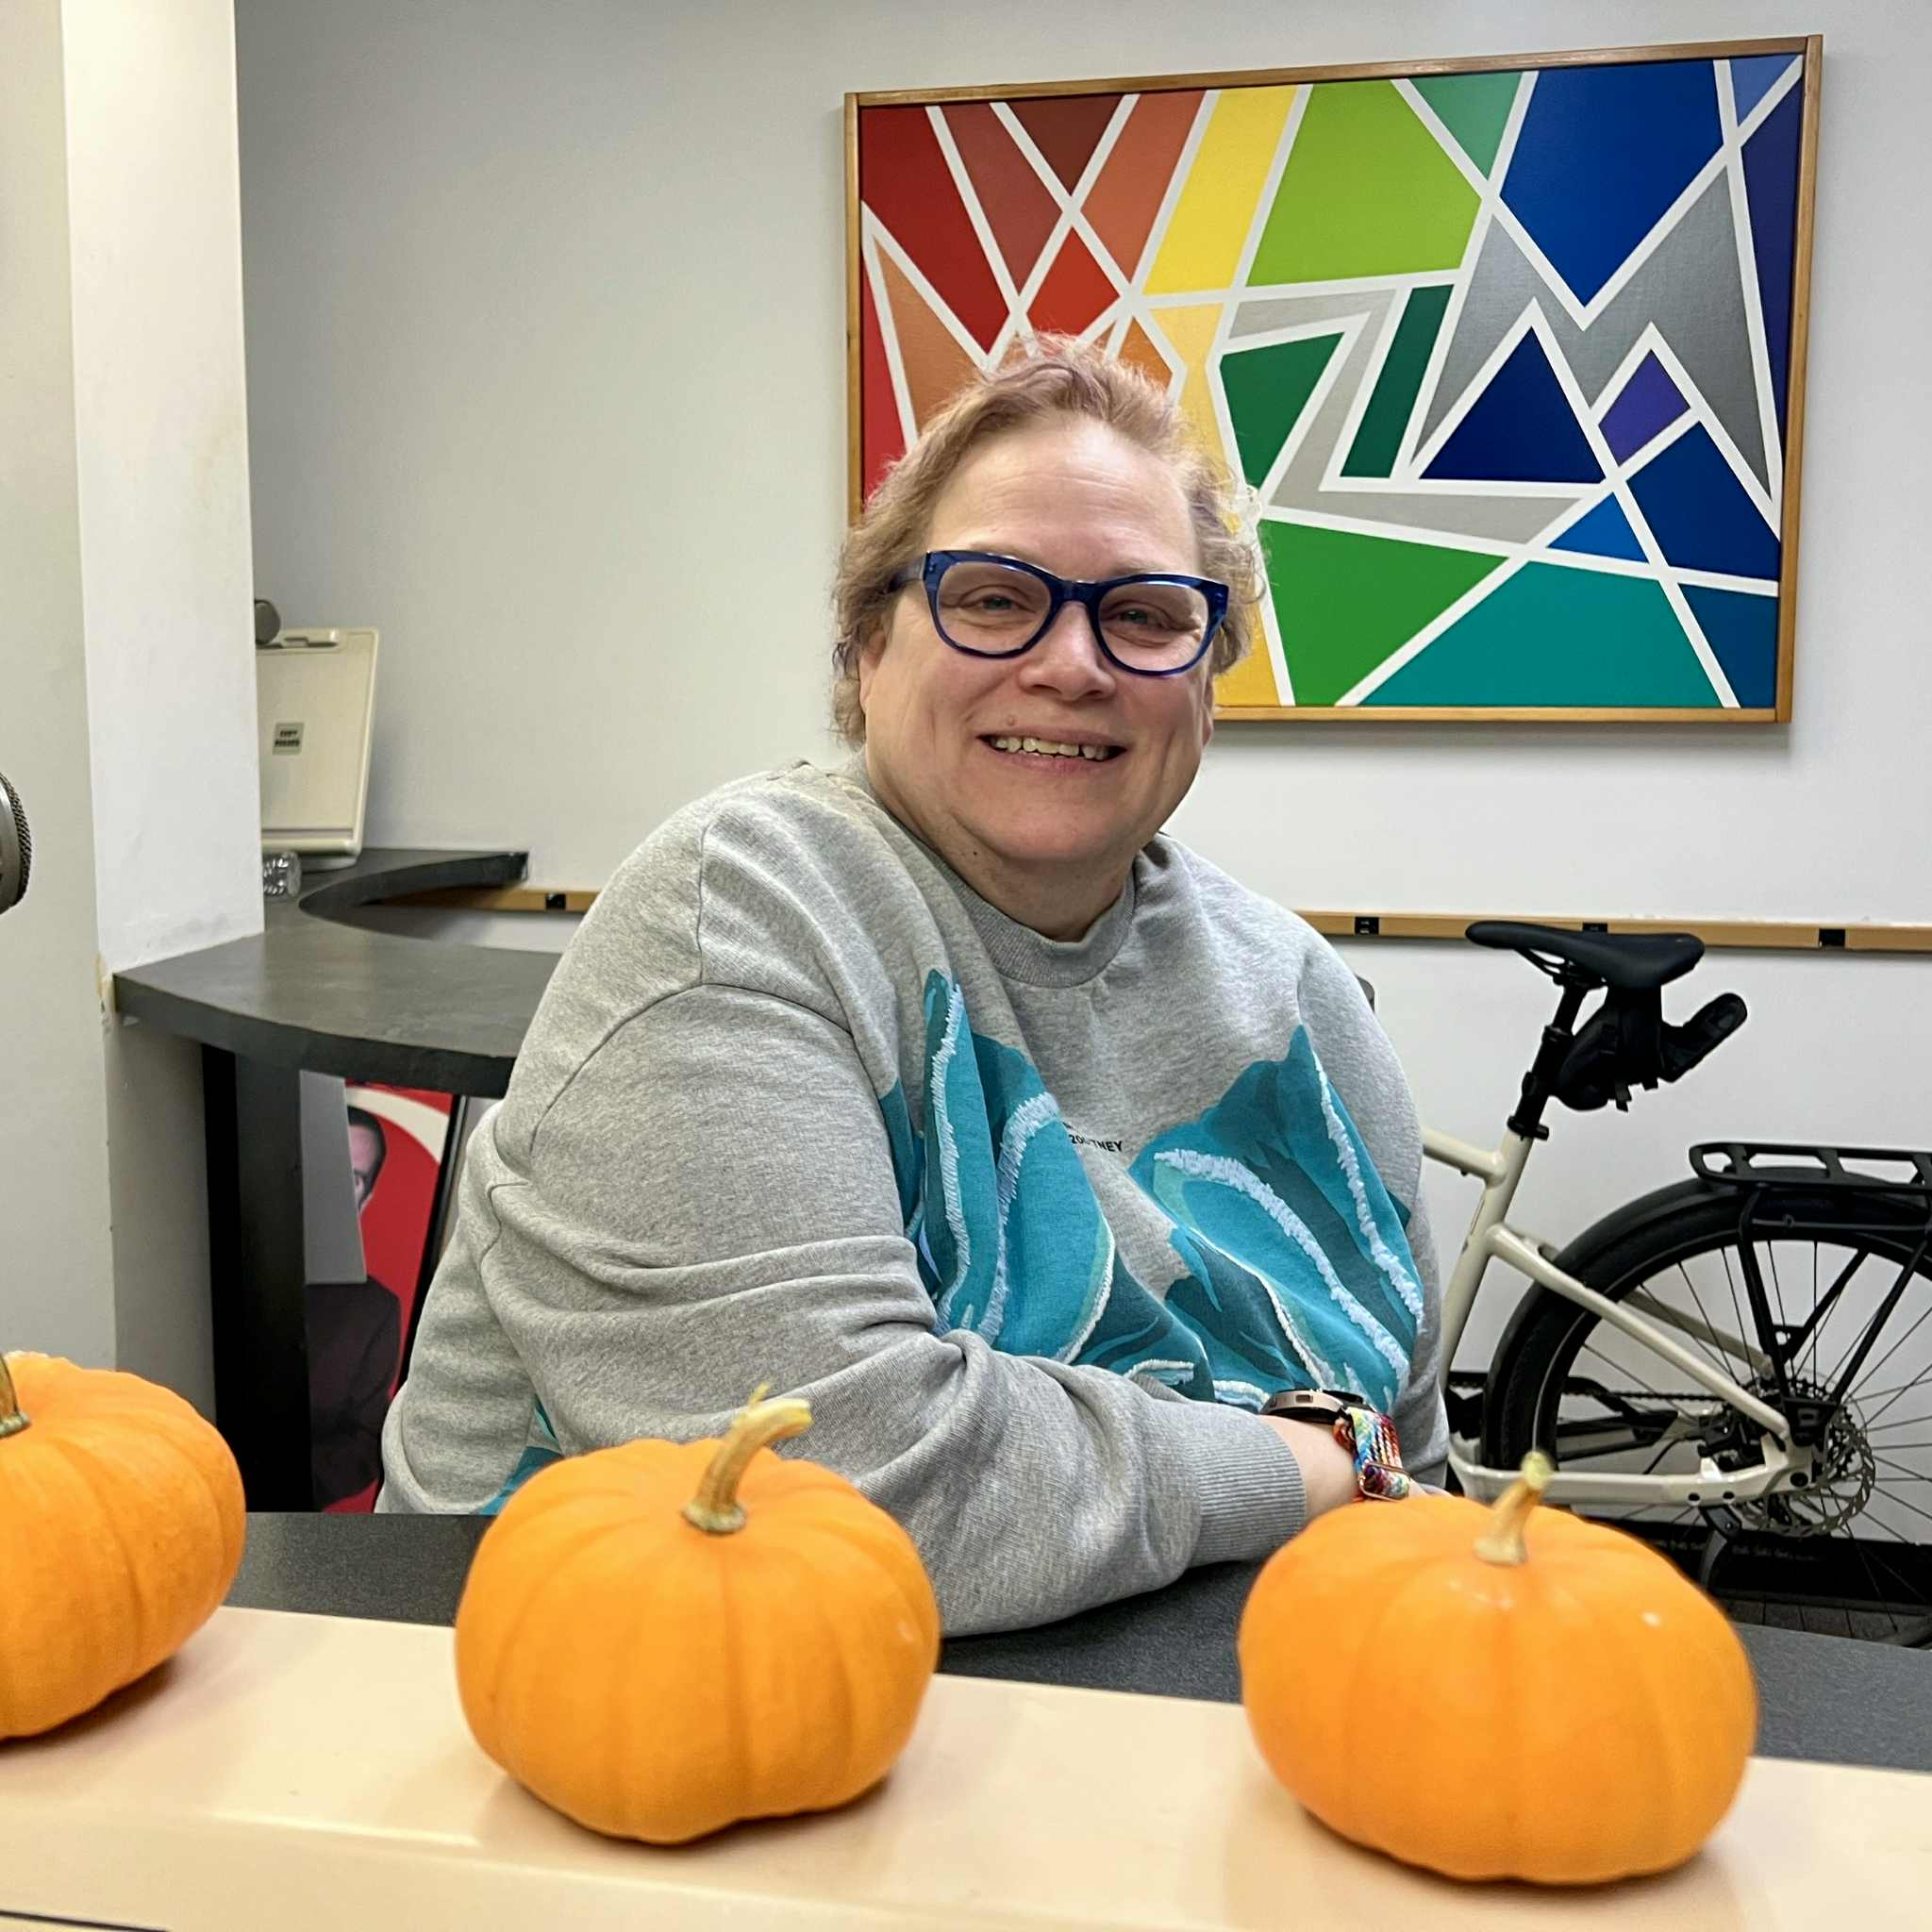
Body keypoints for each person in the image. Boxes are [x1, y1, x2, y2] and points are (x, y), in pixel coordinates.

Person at [379, 339, 1449, 1633]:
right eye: (994, 598)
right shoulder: (738, 912)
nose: (1075, 663)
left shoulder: (1300, 995)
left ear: (1207, 686)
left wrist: (1361, 1475)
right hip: (671, 1707)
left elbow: (1417, 1486)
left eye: (1147, 614)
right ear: (867, 649)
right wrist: (1302, 1463)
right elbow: (847, 1492)